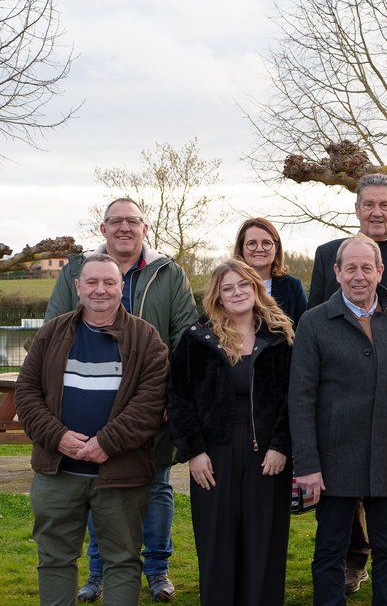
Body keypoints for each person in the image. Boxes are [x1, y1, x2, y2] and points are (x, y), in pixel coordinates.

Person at [46, 197, 198, 603]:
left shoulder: (169, 272)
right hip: (92, 403)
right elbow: (54, 328)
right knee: (100, 484)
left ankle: (157, 569)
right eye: (116, 221)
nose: (124, 228)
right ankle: (98, 573)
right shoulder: (77, 271)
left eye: (133, 221)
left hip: (151, 403)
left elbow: (185, 334)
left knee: (158, 485)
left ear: (145, 228)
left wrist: (171, 394)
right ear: (103, 228)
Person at [306, 173, 387, 595]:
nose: (376, 212)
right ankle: (352, 559)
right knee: (340, 513)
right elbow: (317, 326)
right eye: (368, 205)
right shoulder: (329, 253)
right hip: (340, 408)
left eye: (384, 204)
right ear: (357, 209)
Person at [17, 254, 168, 606]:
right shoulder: (52, 333)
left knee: (122, 559)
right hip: (58, 472)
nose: (101, 290)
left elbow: (151, 403)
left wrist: (107, 442)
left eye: (109, 282)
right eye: (92, 282)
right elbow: (26, 394)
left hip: (120, 474)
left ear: (121, 287)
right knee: (54, 557)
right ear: (78, 287)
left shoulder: (146, 338)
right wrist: (58, 437)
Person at [291, 234, 387, 606]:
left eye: (366, 267)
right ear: (336, 272)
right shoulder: (314, 323)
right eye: (350, 268)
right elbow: (300, 398)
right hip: (333, 460)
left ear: (380, 270)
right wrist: (308, 465)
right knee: (330, 551)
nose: (358, 275)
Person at [167, 259, 296, 605]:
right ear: (217, 296)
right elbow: (178, 398)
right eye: (228, 288)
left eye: (243, 285)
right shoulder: (197, 339)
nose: (237, 292)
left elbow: (295, 397)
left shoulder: (280, 337)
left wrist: (282, 445)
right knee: (218, 542)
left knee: (263, 543)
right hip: (214, 455)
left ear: (256, 289)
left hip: (267, 456)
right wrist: (192, 451)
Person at [232, 217, 308, 325]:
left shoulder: (293, 286)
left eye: (266, 243)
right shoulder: (227, 286)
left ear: (276, 248)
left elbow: (304, 330)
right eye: (252, 243)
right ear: (241, 247)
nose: (259, 248)